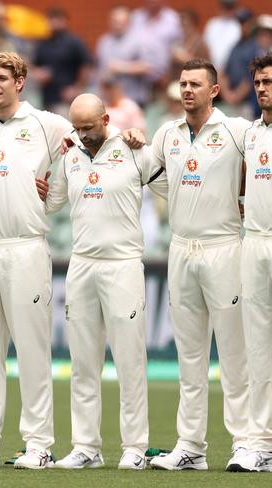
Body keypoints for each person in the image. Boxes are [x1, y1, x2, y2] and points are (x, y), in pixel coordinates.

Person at [0, 51, 145, 470]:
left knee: (32, 351)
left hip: (25, 247)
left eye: (2, 77)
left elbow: (94, 132)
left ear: (20, 81)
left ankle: (38, 443)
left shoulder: (46, 124)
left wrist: (130, 133)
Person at [39, 94, 167, 470]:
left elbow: (169, 188)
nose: (82, 135)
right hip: (82, 264)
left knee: (129, 360)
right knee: (83, 362)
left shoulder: (132, 149)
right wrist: (47, 178)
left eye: (88, 127)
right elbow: (53, 203)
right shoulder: (71, 154)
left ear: (106, 118)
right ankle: (85, 447)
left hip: (123, 264)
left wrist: (141, 138)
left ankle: (134, 448)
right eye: (76, 127)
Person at [149, 59, 250, 471]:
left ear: (214, 90)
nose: (186, 90)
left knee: (233, 353)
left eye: (195, 84)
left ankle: (248, 442)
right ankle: (190, 446)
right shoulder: (167, 133)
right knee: (189, 356)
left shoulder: (237, 130)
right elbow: (152, 175)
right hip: (180, 248)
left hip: (223, 246)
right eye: (182, 84)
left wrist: (245, 199)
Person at [229, 53, 272, 473]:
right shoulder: (252, 133)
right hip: (255, 243)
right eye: (258, 82)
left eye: (269, 82)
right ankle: (260, 442)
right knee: (258, 348)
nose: (262, 89)